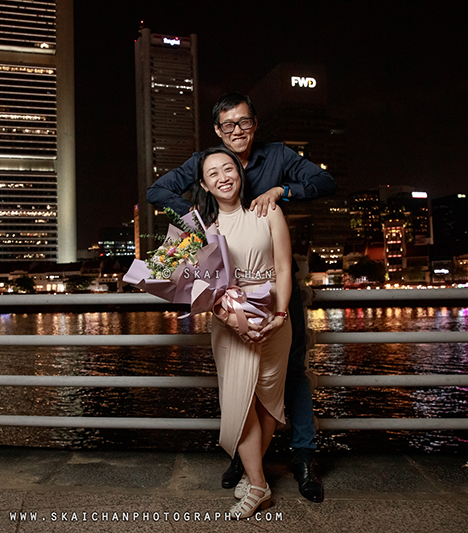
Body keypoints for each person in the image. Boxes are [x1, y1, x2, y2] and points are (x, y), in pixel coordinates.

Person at [147, 92, 334, 503]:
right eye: (228, 125)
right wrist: (202, 216)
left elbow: (325, 181)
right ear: (217, 130)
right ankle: (246, 464)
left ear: (255, 123)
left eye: (244, 123)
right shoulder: (206, 162)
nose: (238, 131)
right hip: (228, 297)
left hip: (277, 286)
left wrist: (281, 192)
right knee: (237, 386)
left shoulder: (279, 156)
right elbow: (157, 191)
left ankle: (302, 457)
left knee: (292, 373)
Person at [193, 146, 292, 518]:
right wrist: (232, 319)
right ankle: (260, 486)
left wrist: (280, 314)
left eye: (227, 168)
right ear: (204, 184)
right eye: (212, 173)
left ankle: (253, 478)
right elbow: (202, 287)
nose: (222, 176)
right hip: (229, 322)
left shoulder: (268, 211)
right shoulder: (203, 229)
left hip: (274, 316)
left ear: (239, 172)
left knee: (268, 399)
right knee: (240, 401)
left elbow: (283, 267)